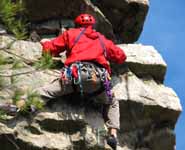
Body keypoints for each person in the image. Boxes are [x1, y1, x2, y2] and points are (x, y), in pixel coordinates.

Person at [39, 13, 126, 149]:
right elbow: (121, 56)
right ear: (92, 26)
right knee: (112, 102)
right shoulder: (101, 39)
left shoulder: (71, 34)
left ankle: (25, 106)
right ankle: (113, 134)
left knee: (47, 91)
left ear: (77, 24)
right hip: (98, 81)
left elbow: (51, 49)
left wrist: (44, 44)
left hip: (75, 77)